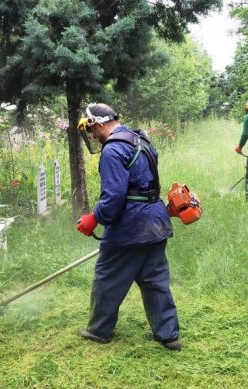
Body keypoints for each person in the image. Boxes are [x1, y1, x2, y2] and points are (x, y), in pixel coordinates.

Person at [74, 102, 181, 351]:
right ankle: (168, 335)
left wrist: (93, 219)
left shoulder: (112, 151)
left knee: (108, 277)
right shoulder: (140, 141)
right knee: (155, 280)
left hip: (130, 227)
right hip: (155, 223)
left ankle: (99, 330)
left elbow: (113, 198)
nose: (92, 136)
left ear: (99, 124)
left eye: (92, 130)